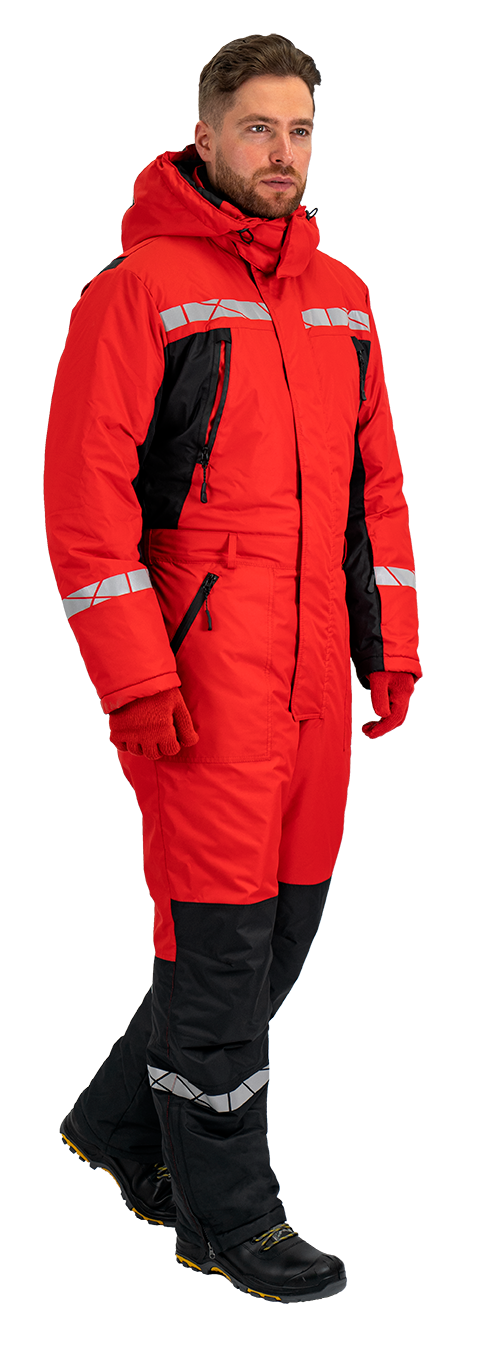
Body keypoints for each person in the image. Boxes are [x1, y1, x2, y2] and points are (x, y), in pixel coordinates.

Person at [44, 34, 421, 1304]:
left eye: (300, 131)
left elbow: (378, 496)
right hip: (201, 683)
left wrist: (391, 646)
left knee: (282, 938)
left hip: (313, 681)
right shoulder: (140, 291)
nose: (283, 153)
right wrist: (137, 677)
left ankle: (116, 1123)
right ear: (202, 138)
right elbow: (85, 510)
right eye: (259, 128)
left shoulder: (342, 298)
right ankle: (227, 1214)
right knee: (217, 956)